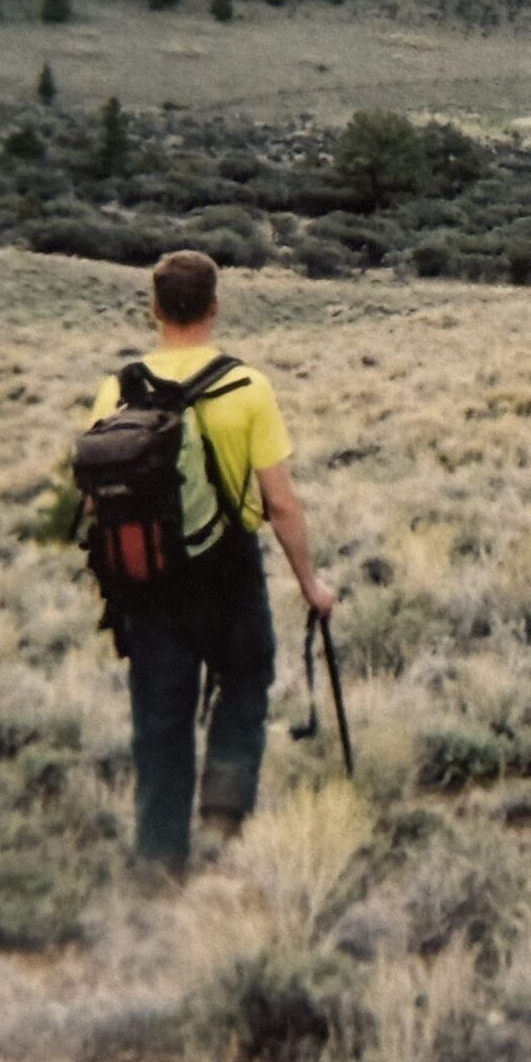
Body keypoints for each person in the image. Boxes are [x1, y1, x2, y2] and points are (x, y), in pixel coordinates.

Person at [83, 250, 337, 874]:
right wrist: (311, 584)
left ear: (155, 308)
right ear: (215, 307)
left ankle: (160, 858)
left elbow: (96, 499)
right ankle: (223, 816)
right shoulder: (246, 386)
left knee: (160, 715)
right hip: (227, 570)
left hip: (148, 581)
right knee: (246, 680)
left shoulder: (118, 387)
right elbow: (280, 503)